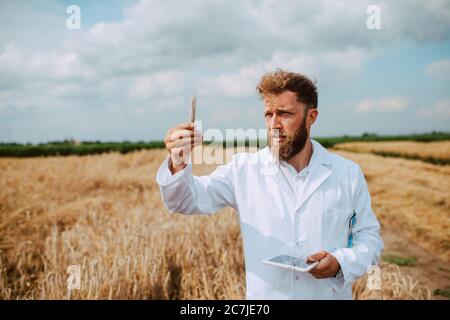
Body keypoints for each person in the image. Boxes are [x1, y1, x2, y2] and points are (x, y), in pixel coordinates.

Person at [156, 69, 383, 299]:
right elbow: (185, 201)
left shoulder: (347, 174)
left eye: (284, 114)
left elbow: (369, 239)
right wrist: (178, 161)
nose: (274, 124)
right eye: (268, 114)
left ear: (311, 117)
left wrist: (340, 263)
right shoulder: (243, 170)